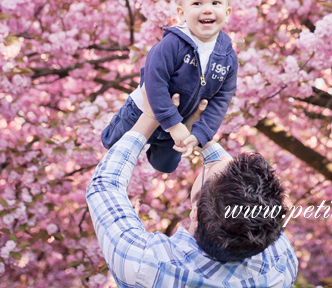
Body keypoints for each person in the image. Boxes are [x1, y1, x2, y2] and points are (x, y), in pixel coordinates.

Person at [87, 92, 299, 287]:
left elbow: (104, 185)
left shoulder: (146, 265)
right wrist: (198, 132)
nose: (223, 159)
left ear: (195, 210)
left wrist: (150, 116)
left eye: (213, 168)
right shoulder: (280, 263)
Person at [101, 0, 239, 173]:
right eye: (197, 4)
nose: (207, 10)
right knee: (113, 146)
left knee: (165, 166)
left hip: (182, 123)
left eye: (215, 3)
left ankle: (158, 146)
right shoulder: (172, 44)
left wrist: (200, 133)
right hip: (143, 111)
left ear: (227, 12)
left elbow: (222, 99)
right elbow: (154, 82)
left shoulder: (227, 57)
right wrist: (172, 123)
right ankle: (124, 131)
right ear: (182, 13)